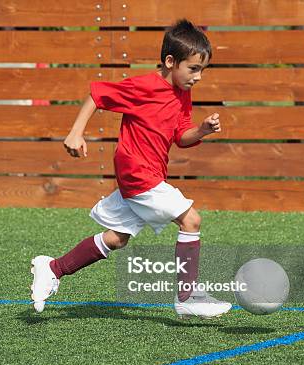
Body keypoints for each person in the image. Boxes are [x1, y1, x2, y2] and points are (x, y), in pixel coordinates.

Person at [30, 19, 232, 319]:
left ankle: (53, 268)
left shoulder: (182, 93)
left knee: (116, 238)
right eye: (193, 69)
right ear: (169, 61)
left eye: (202, 70)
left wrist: (201, 130)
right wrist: (76, 132)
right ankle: (187, 296)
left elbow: (180, 137)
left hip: (147, 176)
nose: (198, 77)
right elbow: (97, 95)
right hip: (138, 175)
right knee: (191, 220)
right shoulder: (144, 86)